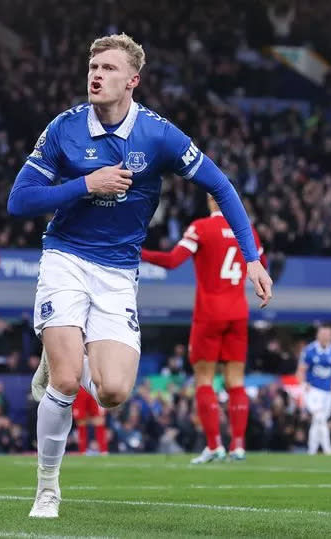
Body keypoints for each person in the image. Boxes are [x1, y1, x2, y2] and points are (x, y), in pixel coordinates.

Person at [7, 33, 273, 518]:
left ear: (132, 80)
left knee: (112, 393)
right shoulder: (65, 128)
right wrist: (85, 184)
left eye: (108, 68)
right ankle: (47, 488)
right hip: (66, 257)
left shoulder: (159, 135)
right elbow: (18, 200)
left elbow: (220, 185)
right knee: (66, 383)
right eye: (92, 64)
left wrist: (251, 255)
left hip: (119, 271)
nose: (96, 73)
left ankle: (58, 357)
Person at [142, 193, 265, 463]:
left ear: (210, 199)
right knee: (236, 381)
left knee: (204, 379)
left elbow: (173, 261)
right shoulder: (248, 231)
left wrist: (139, 252)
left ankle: (214, 445)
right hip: (238, 311)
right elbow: (262, 268)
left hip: (209, 312)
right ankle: (239, 445)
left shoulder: (201, 228)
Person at [296, 326, 331, 455]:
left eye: (328, 334)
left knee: (319, 420)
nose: (325, 337)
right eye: (323, 334)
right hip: (313, 390)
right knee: (319, 417)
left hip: (328, 391)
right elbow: (301, 370)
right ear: (318, 335)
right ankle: (328, 449)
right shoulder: (309, 350)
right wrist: (303, 383)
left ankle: (312, 450)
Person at [73, 386, 107, 454]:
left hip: (95, 386)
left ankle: (103, 451)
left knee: (99, 420)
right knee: (81, 421)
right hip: (80, 387)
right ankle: (82, 451)